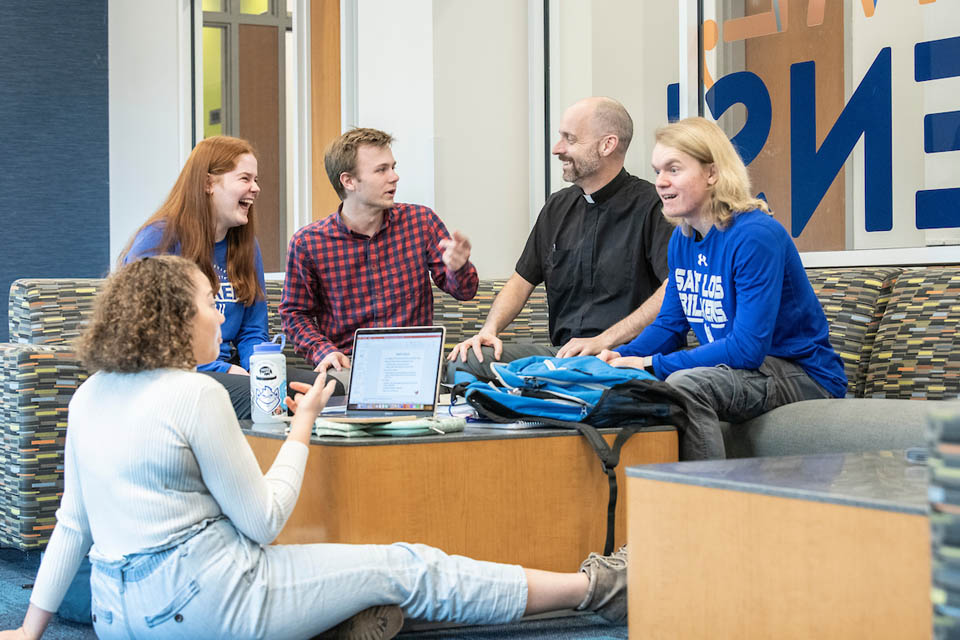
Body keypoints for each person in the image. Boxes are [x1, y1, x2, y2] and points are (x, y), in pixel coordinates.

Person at [0, 256, 628, 640]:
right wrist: (302, 426)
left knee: (337, 574)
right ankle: (593, 588)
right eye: (206, 305)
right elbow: (264, 523)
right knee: (404, 564)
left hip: (118, 621)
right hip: (206, 605)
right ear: (172, 320)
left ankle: (337, 621)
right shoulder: (193, 395)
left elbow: (72, 526)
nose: (220, 319)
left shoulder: (92, 394)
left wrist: (31, 630)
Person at [598, 117, 847, 460]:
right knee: (616, 382)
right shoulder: (681, 240)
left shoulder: (755, 236)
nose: (660, 182)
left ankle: (707, 506)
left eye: (673, 169)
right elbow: (670, 326)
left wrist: (652, 363)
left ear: (712, 173)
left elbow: (748, 349)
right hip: (740, 371)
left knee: (685, 385)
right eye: (657, 171)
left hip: (804, 375)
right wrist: (619, 359)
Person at [448, 97, 674, 378]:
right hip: (562, 356)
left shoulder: (654, 206)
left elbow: (673, 289)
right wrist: (488, 331)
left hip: (623, 357)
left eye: (570, 139)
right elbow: (521, 281)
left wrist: (604, 340)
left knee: (583, 375)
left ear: (607, 145)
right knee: (464, 360)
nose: (557, 149)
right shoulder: (557, 207)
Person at [121, 135, 317, 417]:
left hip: (228, 367)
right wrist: (223, 369)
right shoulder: (159, 239)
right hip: (174, 373)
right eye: (245, 179)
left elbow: (253, 330)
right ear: (208, 183)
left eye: (256, 179)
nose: (256, 188)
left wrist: (258, 369)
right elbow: (147, 335)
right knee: (263, 402)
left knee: (325, 390)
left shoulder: (247, 246)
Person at [281, 127, 478, 391]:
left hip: (416, 363)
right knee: (332, 390)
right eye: (381, 170)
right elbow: (294, 314)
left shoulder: (422, 222)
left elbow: (465, 292)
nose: (394, 177)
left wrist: (459, 267)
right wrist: (322, 351)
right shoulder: (308, 243)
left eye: (393, 167)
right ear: (349, 181)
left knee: (472, 378)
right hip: (352, 367)